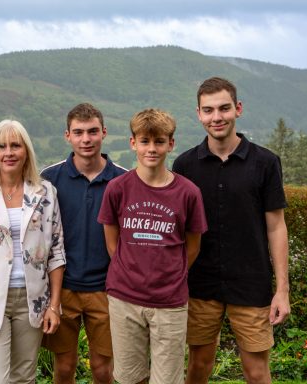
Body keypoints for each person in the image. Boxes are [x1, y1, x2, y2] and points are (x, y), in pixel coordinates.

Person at [172, 77, 290, 384]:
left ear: (237, 109)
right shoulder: (185, 165)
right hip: (199, 284)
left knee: (256, 372)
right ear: (198, 114)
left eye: (224, 108)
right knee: (198, 367)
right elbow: (177, 231)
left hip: (251, 283)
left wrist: (282, 290)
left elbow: (276, 227)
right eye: (208, 110)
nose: (217, 117)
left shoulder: (265, 162)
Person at [98, 108, 208, 384]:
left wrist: (170, 275)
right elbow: (113, 242)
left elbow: (192, 246)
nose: (152, 148)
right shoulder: (117, 188)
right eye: (144, 141)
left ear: (171, 144)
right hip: (124, 298)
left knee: (167, 380)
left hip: (169, 302)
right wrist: (131, 271)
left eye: (159, 141)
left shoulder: (188, 193)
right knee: (128, 377)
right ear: (133, 142)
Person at [0, 119, 66, 383]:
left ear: (26, 150)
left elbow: (56, 253)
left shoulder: (45, 193)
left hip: (32, 300)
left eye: (15, 146)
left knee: (24, 378)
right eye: (1, 146)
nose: (8, 153)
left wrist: (54, 306)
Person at [41, 103, 126, 383]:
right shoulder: (49, 179)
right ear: (68, 135)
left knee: (103, 370)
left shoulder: (123, 180)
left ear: (104, 132)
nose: (86, 139)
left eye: (92, 132)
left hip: (106, 289)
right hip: (62, 289)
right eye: (78, 132)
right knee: (64, 368)